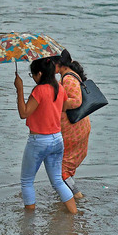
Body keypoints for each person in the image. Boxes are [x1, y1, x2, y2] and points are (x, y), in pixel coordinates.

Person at [14, 57, 77, 214]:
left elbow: (24, 113)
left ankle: (28, 220)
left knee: (27, 181)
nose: (33, 78)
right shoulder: (59, 88)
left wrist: (19, 89)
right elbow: (62, 108)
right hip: (57, 139)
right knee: (57, 181)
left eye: (33, 75)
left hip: (39, 141)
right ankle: (74, 214)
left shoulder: (39, 91)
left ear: (40, 74)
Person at [54, 49, 91, 199]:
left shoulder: (68, 78)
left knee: (61, 170)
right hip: (77, 127)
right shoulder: (68, 75)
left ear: (59, 64)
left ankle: (77, 197)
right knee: (65, 168)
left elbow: (76, 101)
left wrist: (56, 103)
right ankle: (68, 197)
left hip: (73, 130)